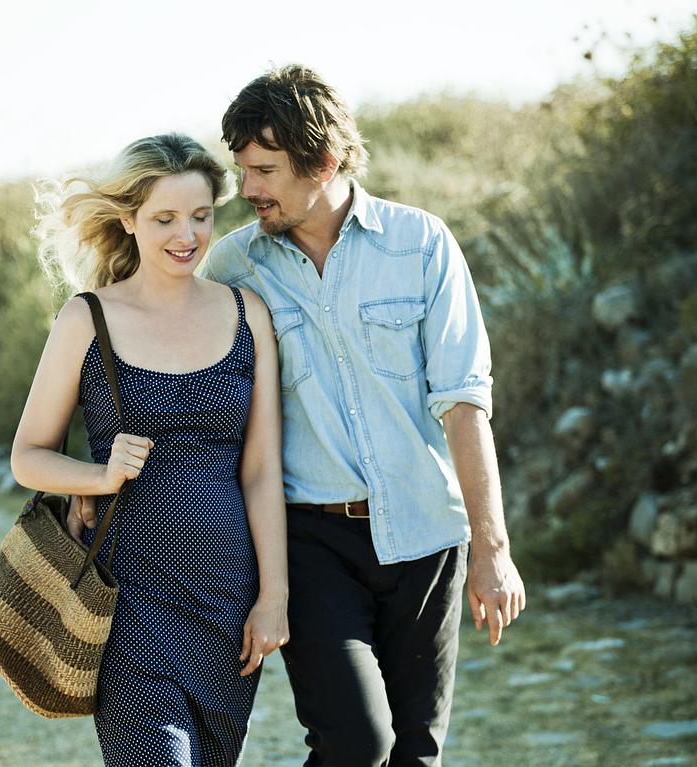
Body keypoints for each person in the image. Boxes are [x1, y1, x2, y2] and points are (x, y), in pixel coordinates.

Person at [195, 65, 527, 766]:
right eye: (243, 169)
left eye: (264, 170)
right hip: (310, 540)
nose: (246, 188)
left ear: (323, 161)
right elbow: (188, 395)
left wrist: (492, 549)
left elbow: (464, 402)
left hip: (426, 533)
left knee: (415, 753)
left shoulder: (422, 244)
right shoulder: (232, 268)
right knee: (355, 742)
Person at [10, 133, 288, 767]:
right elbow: (28, 455)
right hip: (126, 594)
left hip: (226, 592)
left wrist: (274, 596)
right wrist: (98, 477)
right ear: (129, 220)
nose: (186, 235)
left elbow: (261, 471)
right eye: (165, 219)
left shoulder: (248, 314)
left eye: (200, 215)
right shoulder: (86, 319)